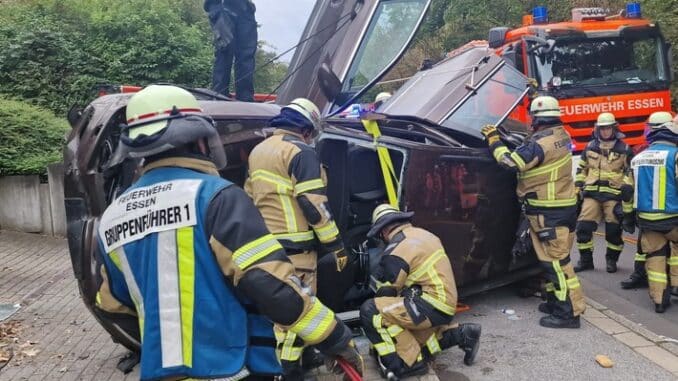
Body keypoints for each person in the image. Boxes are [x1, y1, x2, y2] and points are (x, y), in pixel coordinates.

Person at [94, 85, 362, 380]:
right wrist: (336, 336)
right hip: (230, 370)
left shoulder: (113, 218)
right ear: (199, 139)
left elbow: (111, 306)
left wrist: (166, 345)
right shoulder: (215, 197)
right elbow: (270, 286)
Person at [244, 98, 348, 379]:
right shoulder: (301, 152)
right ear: (305, 128)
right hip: (297, 248)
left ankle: (297, 359)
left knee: (279, 307)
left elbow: (250, 197)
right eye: (311, 132)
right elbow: (313, 205)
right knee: (297, 310)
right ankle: (289, 370)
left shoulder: (258, 151)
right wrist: (336, 245)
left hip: (267, 246)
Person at [481, 95, 586, 328]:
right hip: (563, 208)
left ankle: (567, 313)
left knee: (557, 264)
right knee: (550, 261)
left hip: (547, 212)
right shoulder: (561, 135)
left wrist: (494, 140)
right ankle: (554, 301)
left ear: (537, 119)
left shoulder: (539, 144)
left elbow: (509, 162)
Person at [359, 204, 481, 380]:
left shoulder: (396, 249)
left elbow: (385, 294)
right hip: (443, 302)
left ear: (384, 230)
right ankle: (463, 334)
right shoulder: (424, 234)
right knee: (415, 342)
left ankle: (410, 365)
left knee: (371, 311)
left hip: (429, 304)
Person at [573, 112, 634, 273]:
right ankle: (586, 261)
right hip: (592, 194)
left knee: (613, 232)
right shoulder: (590, 146)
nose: (605, 132)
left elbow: (630, 173)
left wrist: (627, 192)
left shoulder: (624, 149)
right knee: (583, 228)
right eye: (602, 129)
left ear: (614, 129)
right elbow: (581, 168)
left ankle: (611, 261)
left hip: (613, 196)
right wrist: (578, 186)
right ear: (597, 130)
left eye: (608, 128)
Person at [629, 111, 678, 313]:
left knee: (655, 257)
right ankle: (676, 285)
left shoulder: (638, 158)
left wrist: (628, 216)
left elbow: (628, 190)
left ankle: (659, 300)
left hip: (647, 220)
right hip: (673, 218)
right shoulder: (675, 155)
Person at [204, 0, 257, 101]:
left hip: (246, 10)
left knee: (247, 56)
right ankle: (218, 97)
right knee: (224, 50)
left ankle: (246, 99)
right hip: (222, 7)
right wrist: (215, 9)